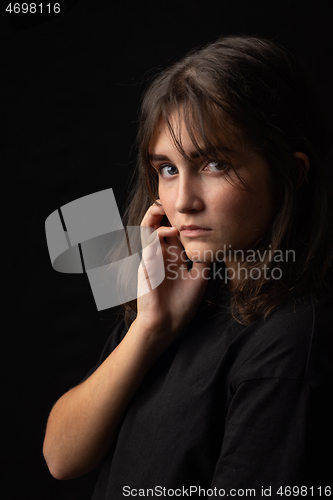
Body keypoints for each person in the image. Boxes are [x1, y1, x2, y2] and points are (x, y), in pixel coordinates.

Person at [43, 34, 333, 499]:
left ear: (291, 175)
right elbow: (61, 456)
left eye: (215, 164)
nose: (182, 201)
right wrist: (151, 327)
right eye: (168, 169)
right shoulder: (185, 294)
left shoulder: (291, 341)